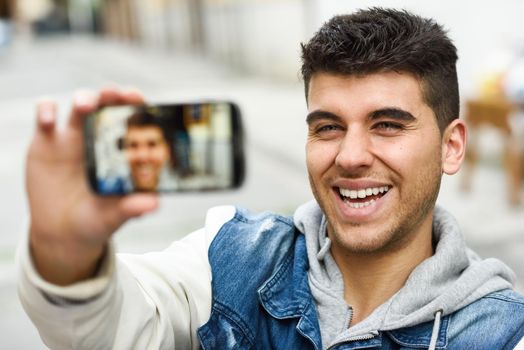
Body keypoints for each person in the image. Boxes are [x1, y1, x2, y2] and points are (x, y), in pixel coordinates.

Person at [18, 7, 524, 350]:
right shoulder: (232, 258)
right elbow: (104, 326)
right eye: (327, 127)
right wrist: (63, 246)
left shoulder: (501, 332)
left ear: (451, 146)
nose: (349, 157)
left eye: (387, 125)